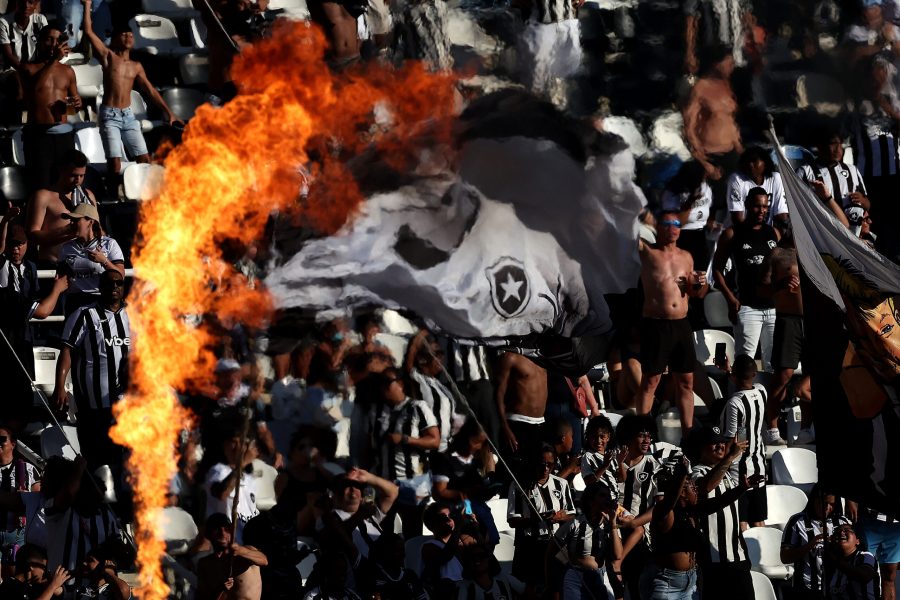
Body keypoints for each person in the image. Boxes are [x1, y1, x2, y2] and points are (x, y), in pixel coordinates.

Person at [80, 0, 180, 175]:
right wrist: (87, 5)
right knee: (115, 165)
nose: (128, 37)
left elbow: (150, 90)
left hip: (128, 115)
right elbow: (88, 31)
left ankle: (145, 196)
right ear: (116, 38)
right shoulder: (108, 57)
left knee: (144, 159)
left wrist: (168, 112)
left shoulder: (136, 66)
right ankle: (111, 197)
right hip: (110, 115)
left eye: (131, 35)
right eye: (124, 35)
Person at [642, 455, 762, 600]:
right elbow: (669, 501)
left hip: (691, 584)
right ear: (682, 493)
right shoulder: (665, 513)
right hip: (668, 585)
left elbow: (718, 502)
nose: (696, 489)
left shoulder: (692, 511)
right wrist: (681, 477)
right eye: (691, 486)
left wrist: (742, 488)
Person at [52, 269, 130, 475]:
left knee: (123, 461)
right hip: (93, 405)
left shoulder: (134, 316)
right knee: (95, 460)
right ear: (100, 287)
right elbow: (67, 349)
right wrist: (60, 386)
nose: (114, 287)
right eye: (109, 283)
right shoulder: (85, 314)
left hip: (127, 406)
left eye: (119, 283)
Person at [637, 211, 708, 433]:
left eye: (676, 223)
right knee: (651, 381)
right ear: (658, 228)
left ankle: (687, 433)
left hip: (681, 324)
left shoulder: (686, 256)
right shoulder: (648, 252)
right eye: (667, 223)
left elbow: (696, 294)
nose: (673, 227)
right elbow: (622, 233)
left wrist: (698, 283)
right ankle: (643, 431)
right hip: (657, 324)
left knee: (686, 381)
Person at [0, 220, 69, 426]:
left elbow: (37, 302)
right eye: (12, 244)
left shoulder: (29, 268)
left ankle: (19, 429)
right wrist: (57, 289)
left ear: (27, 244)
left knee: (22, 388)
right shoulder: (2, 269)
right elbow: (42, 311)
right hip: (7, 337)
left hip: (23, 337)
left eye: (20, 244)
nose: (16, 249)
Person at [757, 229, 814, 445]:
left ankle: (807, 428)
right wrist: (780, 284)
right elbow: (760, 289)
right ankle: (771, 429)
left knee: (813, 374)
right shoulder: (778, 254)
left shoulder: (816, 249)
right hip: (788, 320)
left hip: (814, 320)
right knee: (783, 375)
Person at [712, 188, 779, 372]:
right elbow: (717, 269)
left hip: (773, 308)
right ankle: (738, 398)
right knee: (744, 363)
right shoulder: (732, 233)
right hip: (747, 307)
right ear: (747, 205)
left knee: (773, 363)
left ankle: (768, 400)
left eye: (765, 206)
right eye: (757, 206)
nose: (762, 211)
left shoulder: (774, 233)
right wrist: (730, 299)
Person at [373, 367, 440, 538]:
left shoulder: (418, 407)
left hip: (412, 483)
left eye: (387, 383)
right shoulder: (378, 411)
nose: (382, 388)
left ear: (400, 384)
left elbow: (434, 440)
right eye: (380, 384)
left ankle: (410, 563)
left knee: (412, 531)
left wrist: (405, 440)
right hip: (385, 483)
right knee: (382, 532)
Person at [689, 427, 754, 600]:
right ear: (701, 448)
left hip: (738, 558)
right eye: (713, 442)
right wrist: (730, 456)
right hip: (712, 561)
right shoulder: (697, 471)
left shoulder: (727, 474)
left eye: (723, 442)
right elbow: (705, 487)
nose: (720, 446)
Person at [15, 24, 80, 190]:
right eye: (49, 39)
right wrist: (53, 61)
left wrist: (78, 103)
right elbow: (34, 91)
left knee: (65, 185)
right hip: (38, 135)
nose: (53, 44)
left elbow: (76, 102)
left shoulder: (68, 71)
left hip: (64, 135)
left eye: (57, 40)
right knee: (40, 187)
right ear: (39, 42)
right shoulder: (27, 68)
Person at [507, 444, 575, 598]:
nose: (545, 468)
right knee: (529, 591)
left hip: (555, 544)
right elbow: (512, 520)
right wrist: (536, 519)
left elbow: (571, 514)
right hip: (528, 545)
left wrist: (560, 517)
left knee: (555, 588)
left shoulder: (561, 484)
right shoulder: (519, 486)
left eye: (549, 464)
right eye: (541, 464)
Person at [682, 45, 743, 197]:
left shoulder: (727, 86)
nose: (732, 66)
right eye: (728, 63)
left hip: (731, 152)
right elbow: (689, 125)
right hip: (711, 155)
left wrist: (739, 147)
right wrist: (702, 160)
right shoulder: (700, 89)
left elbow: (730, 120)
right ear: (717, 64)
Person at [430, 419, 500, 547]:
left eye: (482, 443)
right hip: (456, 510)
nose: (479, 446)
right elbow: (438, 493)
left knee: (492, 538)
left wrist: (488, 484)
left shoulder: (476, 458)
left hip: (476, 506)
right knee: (469, 546)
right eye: (476, 442)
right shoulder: (446, 459)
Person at [717, 354, 768, 527]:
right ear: (754, 373)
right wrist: (730, 372)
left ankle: (744, 554)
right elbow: (743, 429)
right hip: (759, 466)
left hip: (740, 472)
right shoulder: (762, 391)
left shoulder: (734, 403)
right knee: (759, 521)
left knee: (742, 521)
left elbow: (732, 440)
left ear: (735, 376)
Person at [316, 468, 398, 572]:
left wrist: (369, 477)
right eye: (346, 486)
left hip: (384, 571)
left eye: (357, 486)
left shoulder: (370, 515)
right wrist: (359, 516)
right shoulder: (327, 517)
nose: (352, 489)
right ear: (334, 494)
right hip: (356, 576)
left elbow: (392, 492)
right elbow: (331, 540)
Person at [614, 414, 660, 600]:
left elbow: (659, 506)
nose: (647, 440)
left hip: (641, 539)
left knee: (637, 588)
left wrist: (634, 524)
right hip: (614, 530)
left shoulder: (654, 466)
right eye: (642, 435)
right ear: (629, 437)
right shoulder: (612, 464)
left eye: (649, 435)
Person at [26, 149, 97, 266]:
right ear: (61, 170)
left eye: (82, 175)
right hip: (54, 264)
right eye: (73, 175)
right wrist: (67, 230)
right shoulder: (44, 196)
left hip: (85, 266)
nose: (78, 180)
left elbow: (98, 228)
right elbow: (32, 235)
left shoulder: (88, 195)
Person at [781, 485, 851, 600]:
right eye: (823, 503)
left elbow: (853, 552)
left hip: (838, 588)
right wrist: (810, 545)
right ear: (814, 500)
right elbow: (785, 557)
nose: (827, 508)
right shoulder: (797, 522)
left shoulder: (842, 522)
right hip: (807, 587)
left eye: (832, 505)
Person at [558, 483, 625, 600]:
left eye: (609, 496)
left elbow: (618, 555)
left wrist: (613, 523)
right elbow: (552, 550)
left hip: (601, 576)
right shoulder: (575, 524)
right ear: (590, 500)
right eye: (603, 495)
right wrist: (552, 581)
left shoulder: (610, 526)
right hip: (576, 577)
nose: (608, 499)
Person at [57, 203, 125, 316]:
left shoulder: (109, 244)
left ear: (90, 221)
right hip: (74, 302)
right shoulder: (66, 248)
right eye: (71, 220)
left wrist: (104, 261)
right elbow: (60, 278)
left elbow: (121, 275)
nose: (71, 223)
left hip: (100, 300)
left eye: (76, 220)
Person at [515, 0, 582, 102]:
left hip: (567, 14)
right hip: (540, 17)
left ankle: (564, 99)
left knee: (569, 60)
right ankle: (537, 99)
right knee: (538, 61)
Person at [495, 352, 548, 477]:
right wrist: (505, 427)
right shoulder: (510, 358)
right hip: (517, 423)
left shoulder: (542, 358)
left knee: (535, 471)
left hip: (540, 423)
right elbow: (498, 394)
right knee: (513, 470)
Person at [204, 431, 260, 545]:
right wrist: (243, 463)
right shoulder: (218, 471)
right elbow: (222, 493)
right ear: (224, 445)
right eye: (234, 442)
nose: (238, 447)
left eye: (243, 442)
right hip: (226, 546)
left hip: (249, 547)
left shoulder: (251, 480)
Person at [661, 160, 717, 272]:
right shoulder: (673, 192)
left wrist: (710, 221)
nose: (702, 180)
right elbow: (678, 223)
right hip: (681, 237)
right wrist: (690, 202)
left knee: (701, 272)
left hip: (701, 235)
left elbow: (708, 207)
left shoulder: (705, 187)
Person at [409, 336, 462, 453]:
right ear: (422, 358)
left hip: (446, 448)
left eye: (441, 354)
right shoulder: (417, 378)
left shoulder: (440, 385)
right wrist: (422, 332)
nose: (440, 358)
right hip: (429, 450)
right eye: (436, 354)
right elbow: (411, 354)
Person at [196, 513, 267, 600]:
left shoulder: (246, 551)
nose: (222, 533)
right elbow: (203, 596)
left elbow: (264, 560)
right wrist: (220, 589)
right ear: (208, 534)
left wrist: (241, 551)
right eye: (217, 529)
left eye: (226, 529)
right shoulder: (206, 564)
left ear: (232, 531)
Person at [0, 425, 40, 576]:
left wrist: (27, 496)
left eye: (2, 440)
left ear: (13, 444)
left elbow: (41, 499)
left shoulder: (28, 469)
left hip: (17, 534)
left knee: (12, 581)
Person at [798, 130, 870, 210]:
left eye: (841, 144)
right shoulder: (804, 171)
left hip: (850, 222)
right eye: (833, 143)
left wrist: (862, 201)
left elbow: (867, 204)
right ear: (820, 146)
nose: (838, 149)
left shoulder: (853, 170)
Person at [846, 500, 899, 600]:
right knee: (863, 569)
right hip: (868, 520)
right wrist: (850, 500)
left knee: (890, 575)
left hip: (895, 526)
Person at [420, 502, 474, 599]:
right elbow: (445, 556)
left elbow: (491, 565)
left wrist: (475, 529)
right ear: (433, 523)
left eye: (450, 516)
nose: (449, 520)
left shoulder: (463, 541)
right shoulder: (429, 546)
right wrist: (458, 528)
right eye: (443, 517)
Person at [726, 146, 789, 225]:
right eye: (747, 161)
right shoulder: (736, 179)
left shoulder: (776, 178)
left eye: (754, 161)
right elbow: (738, 219)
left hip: (765, 232)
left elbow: (781, 214)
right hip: (740, 232)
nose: (750, 165)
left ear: (765, 163)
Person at [366, 532, 429, 600]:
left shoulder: (410, 575)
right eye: (398, 551)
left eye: (403, 550)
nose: (403, 555)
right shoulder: (375, 576)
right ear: (386, 552)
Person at [828, 523, 882, 600]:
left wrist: (835, 560)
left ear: (857, 541)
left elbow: (865, 575)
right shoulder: (830, 563)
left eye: (847, 530)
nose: (841, 532)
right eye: (837, 532)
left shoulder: (865, 556)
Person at [0, 544, 71, 600]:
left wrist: (52, 584)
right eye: (43, 567)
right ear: (31, 566)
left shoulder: (31, 585)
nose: (45, 571)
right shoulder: (10, 586)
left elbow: (64, 594)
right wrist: (52, 586)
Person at [581, 415, 624, 496]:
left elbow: (622, 479)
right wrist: (604, 466)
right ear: (588, 437)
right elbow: (588, 482)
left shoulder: (612, 455)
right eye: (594, 437)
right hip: (599, 502)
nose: (598, 441)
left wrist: (620, 462)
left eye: (602, 436)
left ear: (608, 437)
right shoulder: (588, 456)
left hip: (615, 501)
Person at [0, 0, 48, 70]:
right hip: (11, 69)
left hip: (35, 67)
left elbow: (46, 48)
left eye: (30, 2)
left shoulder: (40, 20)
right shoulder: (4, 22)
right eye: (22, 2)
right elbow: (8, 56)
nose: (26, 6)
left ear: (35, 5)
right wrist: (26, 70)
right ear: (17, 3)